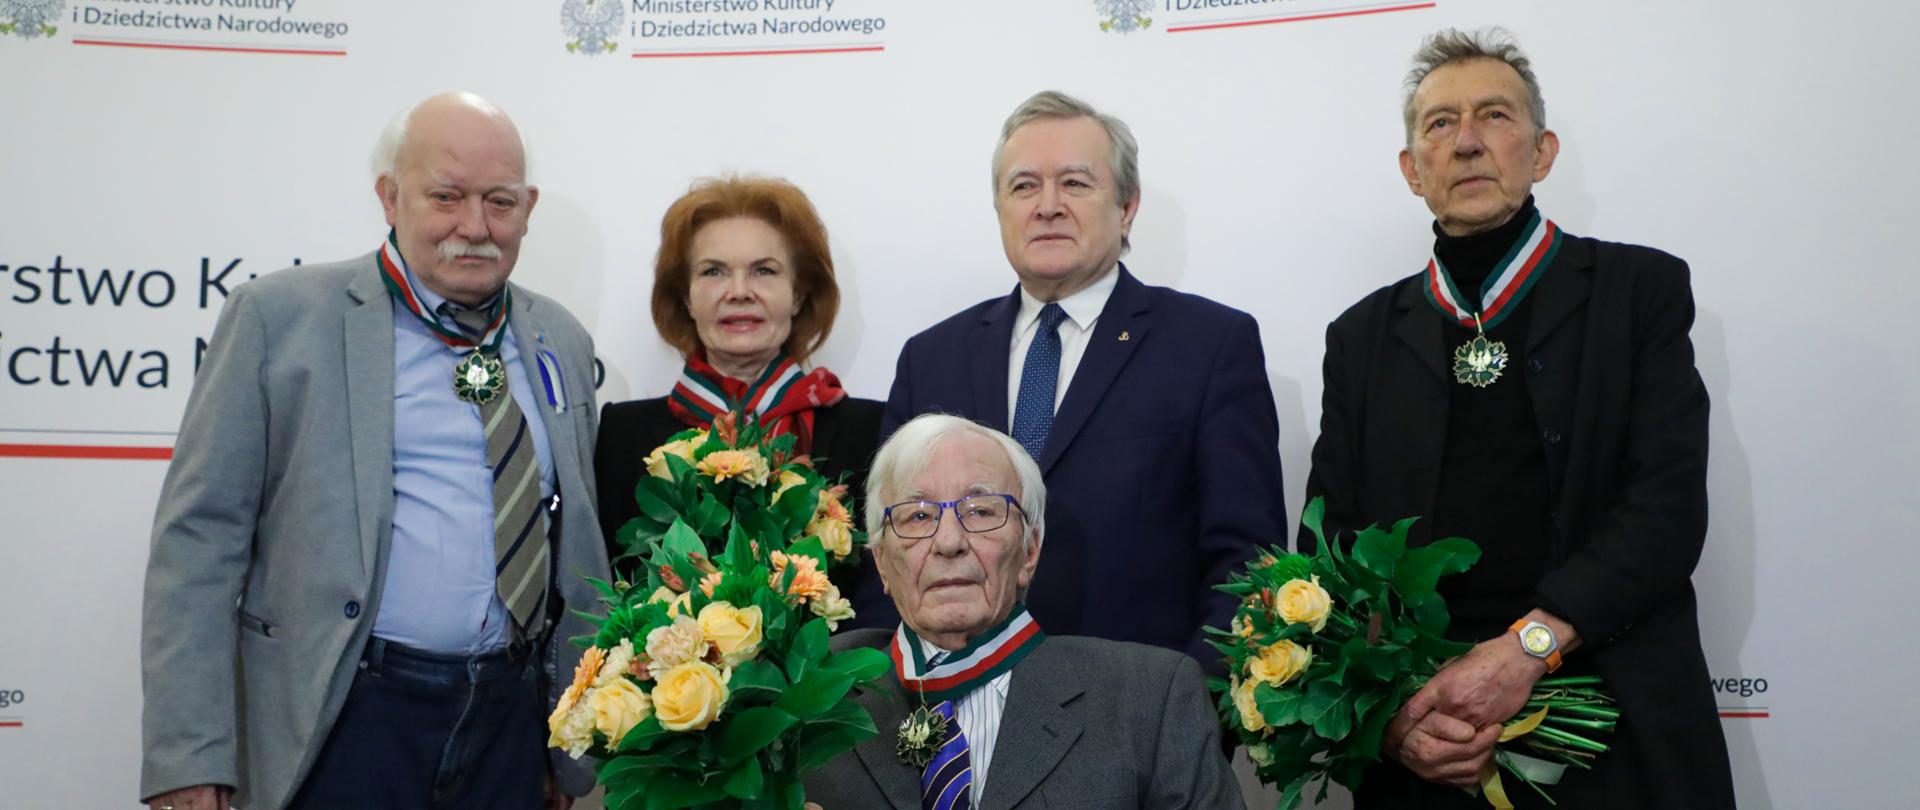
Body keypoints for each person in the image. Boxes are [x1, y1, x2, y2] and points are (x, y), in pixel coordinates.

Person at [1303, 28, 1735, 808]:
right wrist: (1393, 719)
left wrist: (1528, 648)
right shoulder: (1360, 336)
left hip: (1610, 723)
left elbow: (1666, 512)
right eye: (1439, 124)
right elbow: (1329, 552)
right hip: (1428, 742)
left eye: (1494, 116)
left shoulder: (1639, 292)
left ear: (1541, 153)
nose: (1467, 142)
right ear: (1412, 170)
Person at [139, 92, 607, 810]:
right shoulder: (279, 319)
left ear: (528, 206)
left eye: (500, 202)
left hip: (509, 721)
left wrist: (565, 742)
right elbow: (198, 543)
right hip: (346, 716)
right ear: (390, 196)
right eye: (446, 196)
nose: (475, 226)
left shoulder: (560, 339)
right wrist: (188, 755)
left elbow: (572, 549)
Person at [868, 91, 1286, 671]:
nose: (1048, 206)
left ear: (1127, 206)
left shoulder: (1208, 345)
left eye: (1075, 183)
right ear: (999, 209)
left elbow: (1247, 563)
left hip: (1137, 724)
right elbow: (890, 551)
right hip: (951, 725)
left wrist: (1191, 713)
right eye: (1023, 186)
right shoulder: (931, 358)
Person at [804, 414, 1244, 809]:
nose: (949, 542)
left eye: (980, 511)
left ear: (1029, 550)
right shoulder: (813, 692)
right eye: (917, 517)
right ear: (881, 561)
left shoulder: (1150, 698)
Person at [596, 177, 882, 581]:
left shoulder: (872, 432)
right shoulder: (621, 435)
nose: (739, 291)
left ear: (798, 294)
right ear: (686, 297)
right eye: (714, 271)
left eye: (764, 271)